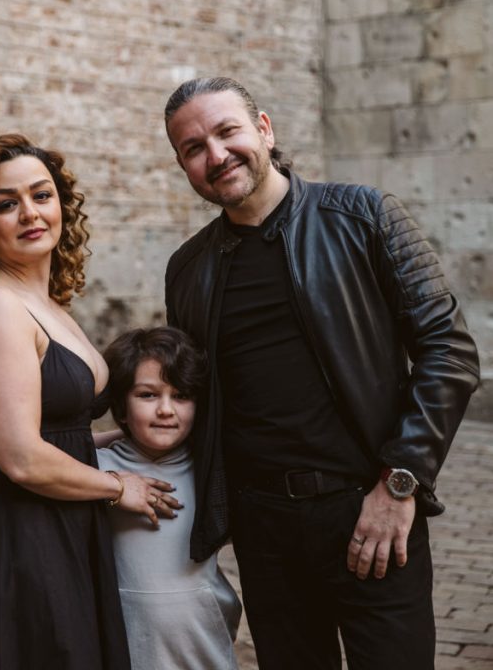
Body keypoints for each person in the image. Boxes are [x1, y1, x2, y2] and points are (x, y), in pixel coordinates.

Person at [162, 76, 480, 670]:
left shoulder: (364, 215)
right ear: (183, 164)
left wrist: (400, 483)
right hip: (266, 534)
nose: (216, 154)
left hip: (372, 511)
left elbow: (449, 351)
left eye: (227, 131)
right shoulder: (187, 271)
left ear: (263, 129)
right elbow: (181, 398)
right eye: (193, 147)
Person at [0, 133, 179, 670]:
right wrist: (117, 486)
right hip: (23, 537)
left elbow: (26, 432)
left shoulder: (46, 302)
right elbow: (20, 457)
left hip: (60, 520)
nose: (30, 214)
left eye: (42, 195)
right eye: (5, 204)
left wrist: (120, 440)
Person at [98, 326, 242, 670]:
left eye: (181, 396)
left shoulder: (213, 472)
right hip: (124, 646)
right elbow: (43, 463)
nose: (166, 409)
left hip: (202, 646)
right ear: (120, 404)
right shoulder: (96, 471)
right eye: (148, 395)